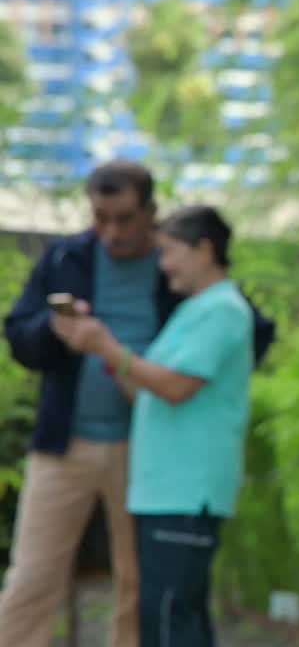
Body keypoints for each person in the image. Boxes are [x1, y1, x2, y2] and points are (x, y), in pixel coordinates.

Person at [1, 161, 273, 647]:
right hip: (65, 441)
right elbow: (19, 337)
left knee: (140, 585)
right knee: (33, 577)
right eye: (101, 217)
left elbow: (246, 328)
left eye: (124, 218)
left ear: (151, 211)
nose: (111, 231)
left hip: (145, 450)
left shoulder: (184, 274)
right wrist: (56, 331)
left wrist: (195, 378)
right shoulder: (67, 257)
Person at [49, 205, 255, 647]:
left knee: (166, 621)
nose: (163, 266)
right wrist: (98, 344)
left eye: (170, 252)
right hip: (165, 490)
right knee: (176, 617)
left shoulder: (222, 310)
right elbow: (142, 387)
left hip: (186, 490)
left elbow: (176, 386)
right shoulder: (194, 309)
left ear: (204, 249)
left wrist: (109, 347)